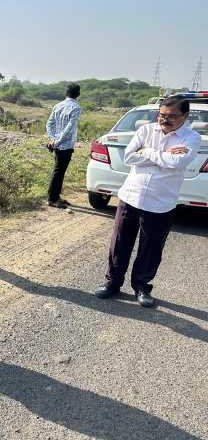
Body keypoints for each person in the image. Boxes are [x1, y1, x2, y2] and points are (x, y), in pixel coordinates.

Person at [95, 97, 201, 307]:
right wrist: (161, 155)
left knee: (151, 248)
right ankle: (112, 283)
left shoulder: (192, 138)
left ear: (185, 116)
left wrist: (146, 152)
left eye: (171, 116)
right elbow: (129, 157)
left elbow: (177, 162)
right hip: (131, 196)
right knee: (120, 243)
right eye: (162, 115)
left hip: (160, 201)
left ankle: (141, 287)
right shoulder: (145, 130)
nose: (164, 120)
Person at [46, 83, 81, 208]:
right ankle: (52, 198)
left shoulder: (58, 105)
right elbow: (69, 128)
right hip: (65, 145)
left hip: (56, 143)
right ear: (78, 94)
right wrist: (58, 141)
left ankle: (56, 196)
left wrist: (52, 139)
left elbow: (49, 124)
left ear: (66, 93)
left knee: (59, 170)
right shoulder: (76, 107)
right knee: (59, 171)